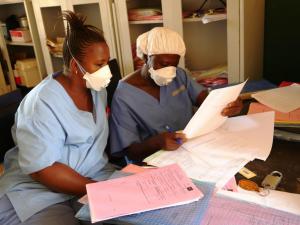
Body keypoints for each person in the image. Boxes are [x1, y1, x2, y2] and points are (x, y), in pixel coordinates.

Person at [0, 11, 115, 225]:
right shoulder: (41, 104)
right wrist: (97, 189)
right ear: (75, 67)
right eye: (99, 65)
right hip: (39, 191)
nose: (106, 71)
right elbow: (42, 170)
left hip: (91, 175)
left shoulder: (97, 90)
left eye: (106, 63)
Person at [109, 27, 243, 163]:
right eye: (164, 64)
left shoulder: (179, 75)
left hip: (191, 149)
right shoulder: (124, 95)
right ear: (145, 57)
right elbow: (130, 152)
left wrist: (229, 103)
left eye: (174, 65)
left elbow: (207, 101)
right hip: (153, 161)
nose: (170, 71)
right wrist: (157, 143)